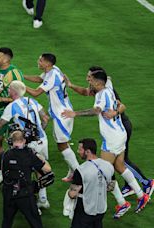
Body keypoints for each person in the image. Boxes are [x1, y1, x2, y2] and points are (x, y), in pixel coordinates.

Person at [61, 69, 150, 217]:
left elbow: (96, 111)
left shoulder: (101, 95)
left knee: (104, 173)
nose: (88, 80)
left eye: (90, 79)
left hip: (112, 139)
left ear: (97, 82)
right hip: (120, 134)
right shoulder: (109, 89)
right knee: (120, 167)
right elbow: (120, 104)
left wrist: (75, 113)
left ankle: (123, 203)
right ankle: (141, 196)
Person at [0, 81, 50, 209]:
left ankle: (32, 206)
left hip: (29, 144)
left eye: (9, 89)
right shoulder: (32, 101)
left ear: (13, 92)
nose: (8, 91)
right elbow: (45, 118)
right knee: (41, 169)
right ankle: (43, 199)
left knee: (26, 174)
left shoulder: (12, 106)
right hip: (42, 140)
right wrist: (39, 132)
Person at [24, 53, 79, 182]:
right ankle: (72, 171)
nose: (38, 62)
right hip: (64, 111)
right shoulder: (54, 70)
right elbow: (40, 79)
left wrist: (19, 85)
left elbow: (36, 93)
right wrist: (22, 76)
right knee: (63, 143)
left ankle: (78, 172)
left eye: (41, 60)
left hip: (62, 115)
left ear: (48, 64)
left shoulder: (53, 75)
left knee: (62, 145)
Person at [0, 47, 24, 188]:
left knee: (15, 143)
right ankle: (1, 172)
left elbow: (20, 97)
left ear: (7, 59)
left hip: (13, 113)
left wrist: (1, 99)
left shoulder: (15, 73)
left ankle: (17, 173)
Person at [1, 130, 51, 228]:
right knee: (35, 222)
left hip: (8, 193)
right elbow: (47, 169)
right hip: (24, 194)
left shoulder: (4, 155)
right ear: (24, 140)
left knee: (7, 221)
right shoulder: (29, 155)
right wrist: (40, 156)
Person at [68, 138, 114, 228]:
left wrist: (70, 191)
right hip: (101, 209)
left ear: (87, 151)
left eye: (80, 149)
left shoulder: (81, 170)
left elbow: (72, 194)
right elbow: (111, 187)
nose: (78, 151)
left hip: (84, 210)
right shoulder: (108, 166)